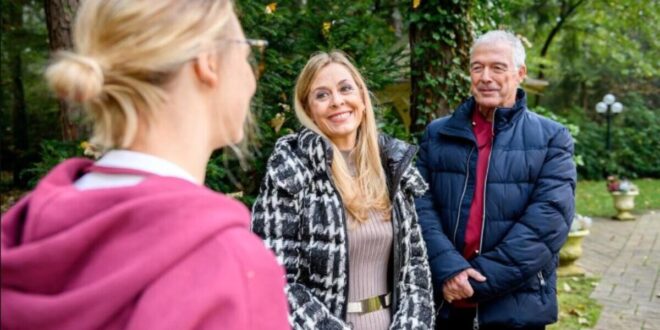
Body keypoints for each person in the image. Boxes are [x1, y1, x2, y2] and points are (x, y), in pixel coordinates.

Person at [0, 1, 289, 329]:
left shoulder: (25, 235)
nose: (252, 76)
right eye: (248, 54)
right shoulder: (232, 268)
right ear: (208, 61)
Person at [251, 51, 434, 329]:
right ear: (308, 108)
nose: (337, 101)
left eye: (345, 88)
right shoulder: (291, 169)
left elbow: (415, 269)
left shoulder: (391, 164)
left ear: (361, 96)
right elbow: (276, 278)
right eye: (322, 95)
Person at [415, 30, 576, 330]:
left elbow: (547, 224)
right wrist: (449, 270)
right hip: (445, 303)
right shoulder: (438, 134)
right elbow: (420, 207)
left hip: (515, 307)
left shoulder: (552, 138)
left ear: (520, 73)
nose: (485, 76)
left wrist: (475, 282)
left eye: (497, 67)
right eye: (477, 67)